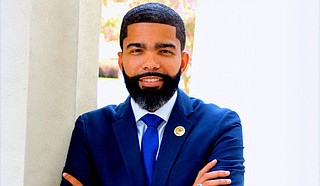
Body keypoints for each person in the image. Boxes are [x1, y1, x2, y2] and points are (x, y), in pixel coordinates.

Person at [61, 2, 245, 186]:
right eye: (137, 51)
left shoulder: (220, 126)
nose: (150, 63)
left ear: (183, 61)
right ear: (121, 60)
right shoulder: (90, 130)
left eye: (164, 51)